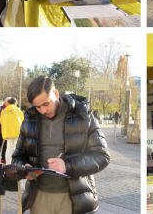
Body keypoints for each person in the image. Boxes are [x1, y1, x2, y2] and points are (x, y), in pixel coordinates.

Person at [12, 75, 110, 214]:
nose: (43, 111)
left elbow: (102, 156)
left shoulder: (83, 116)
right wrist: (24, 169)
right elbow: (18, 156)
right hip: (39, 197)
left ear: (56, 93)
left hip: (74, 199)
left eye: (46, 104)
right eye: (37, 106)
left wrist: (68, 166)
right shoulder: (29, 120)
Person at [0, 97, 24, 163]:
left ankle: (8, 164)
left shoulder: (4, 111)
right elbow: (23, 119)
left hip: (7, 132)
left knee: (9, 148)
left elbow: (1, 121)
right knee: (17, 148)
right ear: (15, 103)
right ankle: (16, 164)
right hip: (17, 131)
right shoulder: (17, 109)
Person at [0, 97, 11, 165]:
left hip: (7, 130)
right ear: (6, 102)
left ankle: (3, 159)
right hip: (0, 130)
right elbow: (1, 120)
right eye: (9, 102)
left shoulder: (8, 109)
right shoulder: (0, 109)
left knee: (6, 146)